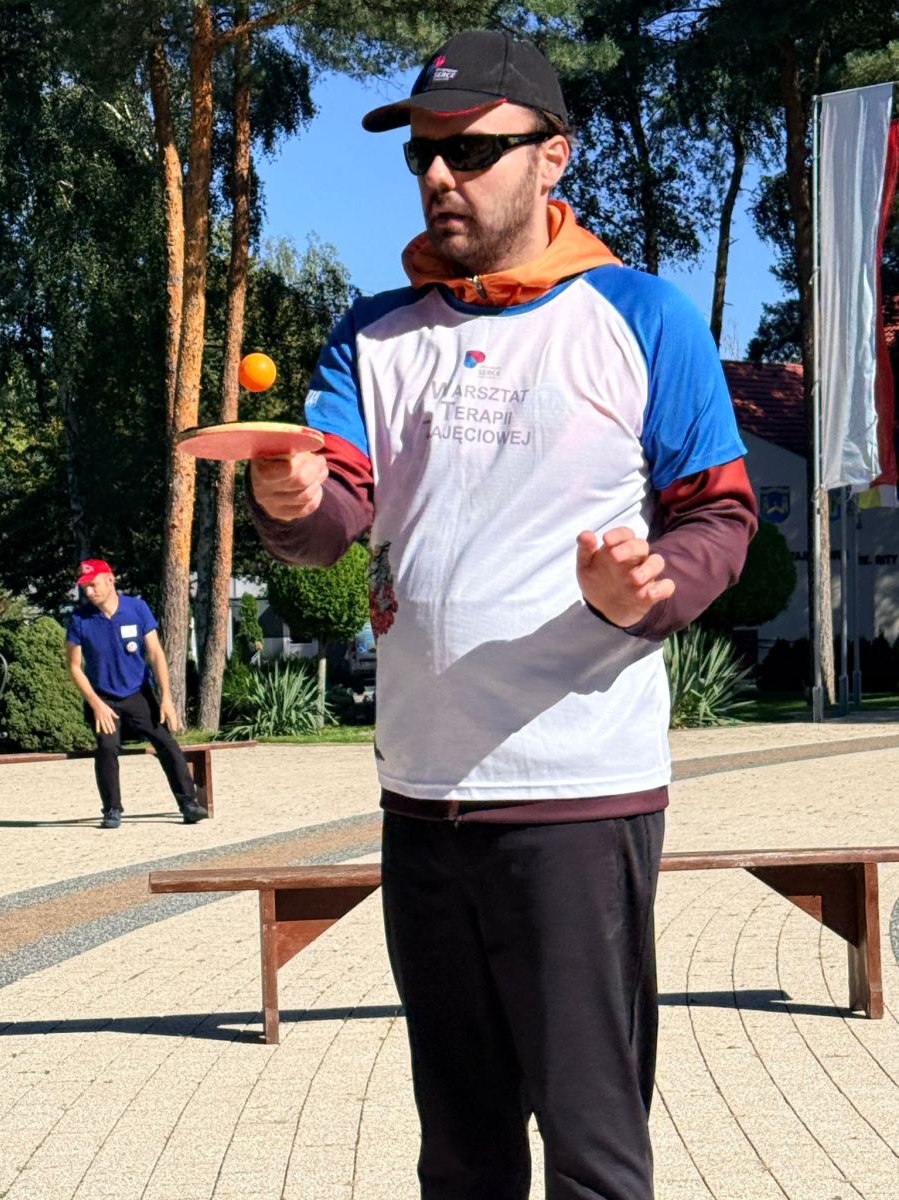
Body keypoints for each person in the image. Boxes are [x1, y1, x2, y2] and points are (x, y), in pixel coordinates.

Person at [248, 28, 758, 1200]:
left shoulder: (642, 315)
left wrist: (653, 588)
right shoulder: (373, 332)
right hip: (421, 798)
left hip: (579, 797)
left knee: (592, 1154)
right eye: (423, 154)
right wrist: (292, 502)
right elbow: (335, 513)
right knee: (463, 1155)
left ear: (552, 156)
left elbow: (721, 514)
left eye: (472, 151)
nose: (440, 175)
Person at [65, 559, 208, 829]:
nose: (89, 592)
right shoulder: (79, 619)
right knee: (107, 747)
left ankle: (188, 804)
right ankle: (112, 810)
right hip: (103, 698)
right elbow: (74, 666)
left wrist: (166, 698)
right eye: (84, 587)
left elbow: (155, 653)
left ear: (110, 580)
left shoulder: (137, 609)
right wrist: (95, 704)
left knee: (166, 742)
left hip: (137, 694)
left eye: (93, 585)